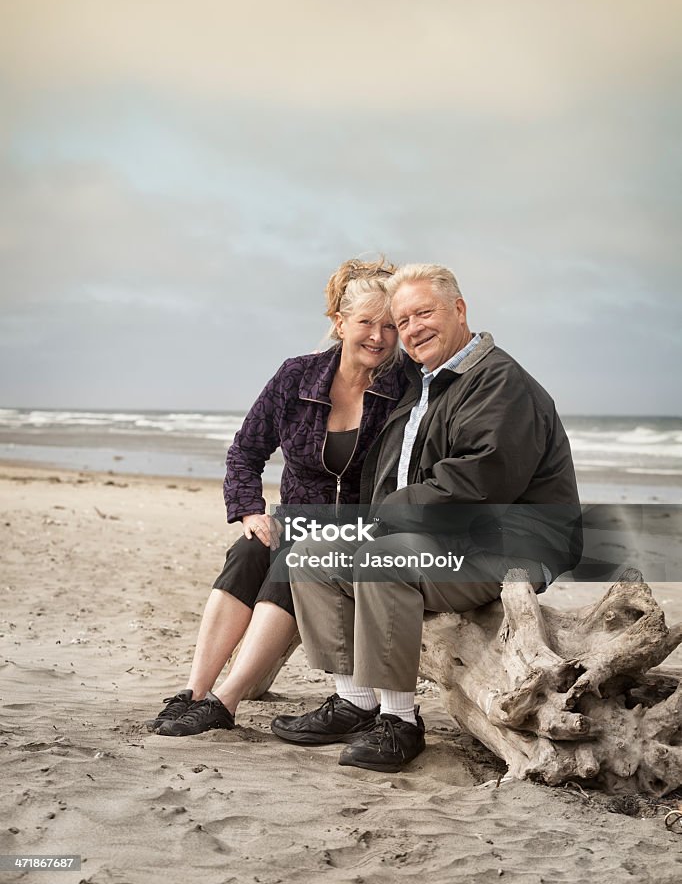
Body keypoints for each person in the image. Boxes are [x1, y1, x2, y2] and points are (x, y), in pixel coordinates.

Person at [271, 263, 582, 771]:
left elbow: (478, 486)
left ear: (459, 310)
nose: (413, 328)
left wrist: (383, 519)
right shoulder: (429, 383)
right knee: (310, 555)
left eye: (424, 313)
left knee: (380, 558)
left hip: (507, 545)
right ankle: (355, 701)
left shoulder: (499, 383)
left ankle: (400, 721)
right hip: (438, 534)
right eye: (404, 319)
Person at [147, 257, 405, 736]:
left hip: (361, 532)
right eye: (367, 322)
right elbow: (245, 452)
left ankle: (226, 701)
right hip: (297, 518)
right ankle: (195, 692)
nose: (378, 336)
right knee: (248, 551)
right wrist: (248, 510)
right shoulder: (296, 378)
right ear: (339, 323)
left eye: (390, 325)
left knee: (293, 562)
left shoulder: (404, 388)